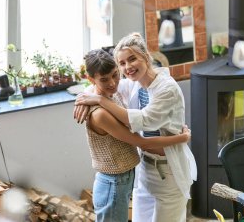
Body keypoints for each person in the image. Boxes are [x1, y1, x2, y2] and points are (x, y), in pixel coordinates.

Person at [75, 33, 197, 222]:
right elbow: (99, 85)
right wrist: (83, 99)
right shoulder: (133, 85)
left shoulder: (167, 88)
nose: (127, 67)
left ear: (146, 56)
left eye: (132, 59)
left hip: (169, 172)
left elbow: (145, 120)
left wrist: (98, 100)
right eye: (122, 63)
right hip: (145, 170)